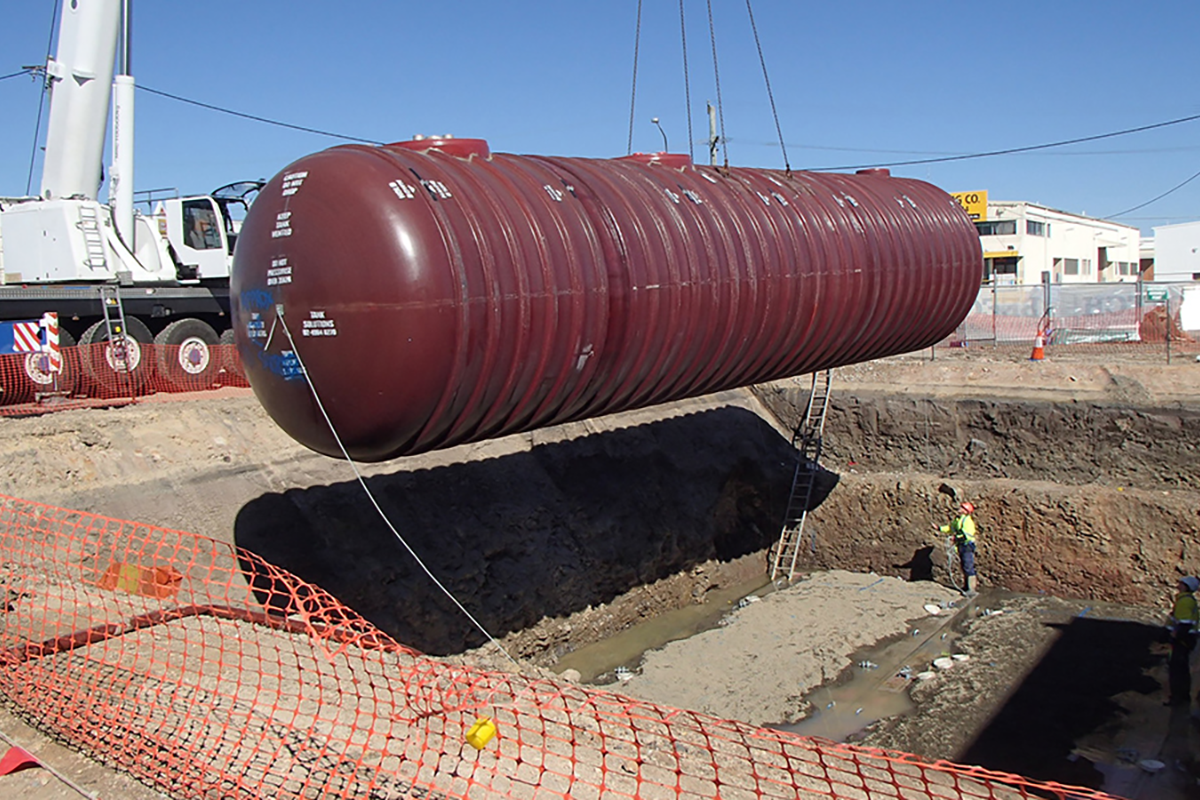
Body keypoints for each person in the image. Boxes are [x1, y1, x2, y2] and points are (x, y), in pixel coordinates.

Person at [1166, 575, 1198, 706]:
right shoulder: (1186, 600)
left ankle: (1178, 698)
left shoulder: (1185, 601)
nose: (1178, 585)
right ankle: (1183, 697)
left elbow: (1185, 624)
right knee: (1182, 669)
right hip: (1186, 639)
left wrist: (1175, 636)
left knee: (1177, 669)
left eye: (1181, 583)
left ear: (1187, 587)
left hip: (1182, 640)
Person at [940, 501, 978, 595]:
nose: (959, 509)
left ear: (966, 511)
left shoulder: (967, 521)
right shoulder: (958, 520)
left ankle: (971, 589)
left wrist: (956, 538)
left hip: (967, 545)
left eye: (962, 508)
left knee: (968, 565)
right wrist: (940, 528)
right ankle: (966, 587)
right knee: (964, 566)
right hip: (961, 545)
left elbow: (967, 535)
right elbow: (951, 528)